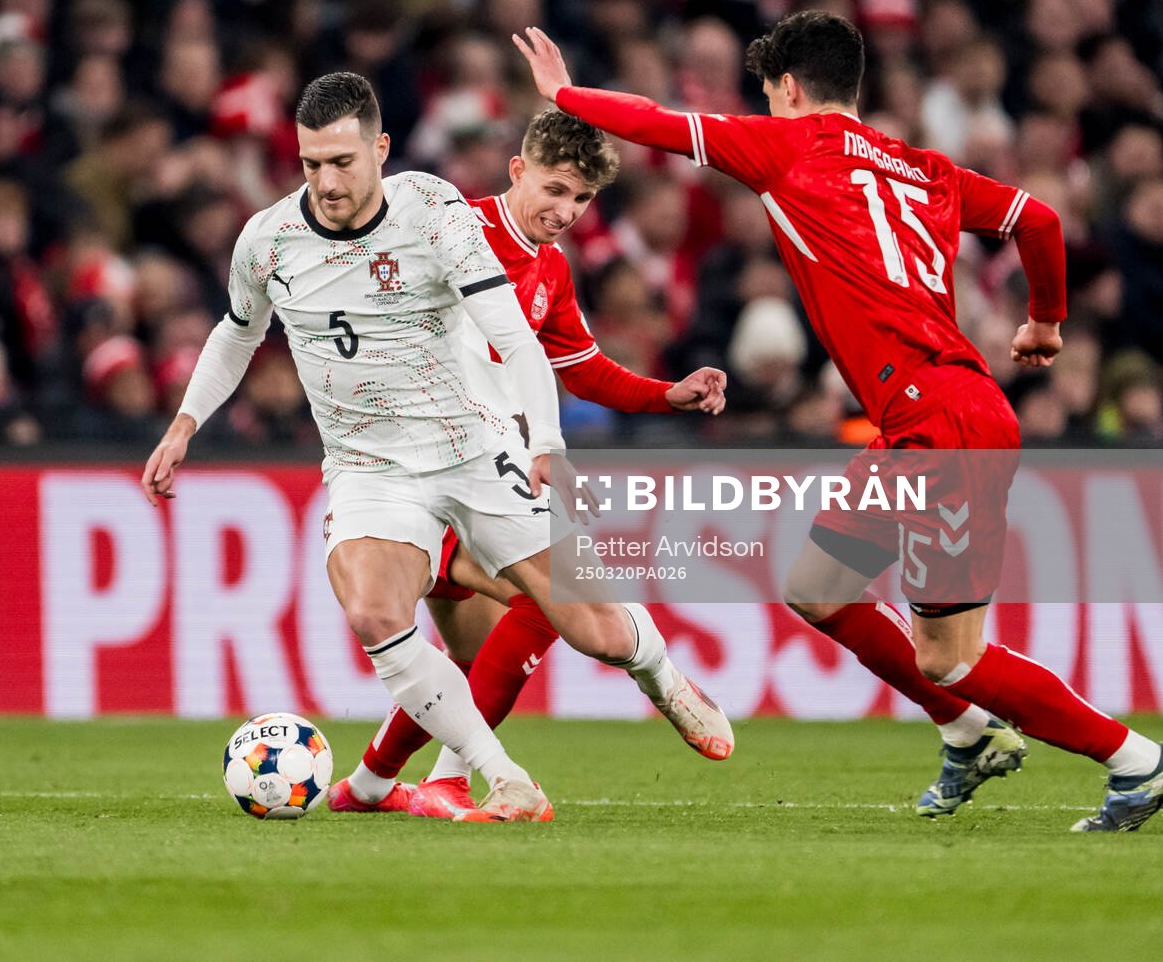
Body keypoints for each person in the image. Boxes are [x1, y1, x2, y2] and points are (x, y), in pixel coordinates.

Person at [518, 12, 1163, 833]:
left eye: (769, 96)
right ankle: (966, 732)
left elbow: (656, 123)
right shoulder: (925, 168)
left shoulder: (784, 147)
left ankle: (1135, 759)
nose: (767, 109)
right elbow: (1038, 221)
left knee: (953, 655)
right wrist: (1045, 320)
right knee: (820, 589)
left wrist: (564, 95)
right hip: (932, 414)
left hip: (942, 425)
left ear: (789, 89)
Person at [141, 71, 735, 824]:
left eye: (342, 163)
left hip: (470, 449)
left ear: (381, 149)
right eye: (311, 163)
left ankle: (660, 675)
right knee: (374, 614)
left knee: (600, 633)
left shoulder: (433, 210)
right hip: (369, 466)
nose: (325, 181)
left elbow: (518, 336)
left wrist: (546, 442)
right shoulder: (268, 239)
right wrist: (185, 422)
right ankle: (502, 779)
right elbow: (236, 332)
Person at [332, 107, 730, 819]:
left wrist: (666, 395)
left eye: (580, 199)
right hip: (414, 466)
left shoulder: (549, 269)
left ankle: (397, 784)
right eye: (555, 189)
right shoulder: (451, 234)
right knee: (476, 643)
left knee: (534, 619)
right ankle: (393, 786)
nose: (565, 211)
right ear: (518, 171)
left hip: (485, 474)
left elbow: (584, 370)